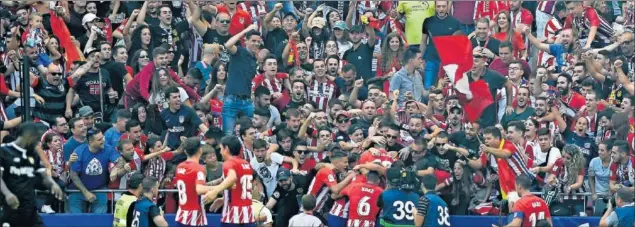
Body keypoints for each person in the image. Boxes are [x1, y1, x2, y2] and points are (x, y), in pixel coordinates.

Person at [0, 122, 64, 227]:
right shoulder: (4, 151)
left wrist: (53, 184)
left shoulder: (33, 154)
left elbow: (43, 175)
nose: (37, 141)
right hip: (10, 206)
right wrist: (7, 193)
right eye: (35, 137)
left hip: (29, 207)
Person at [203, 135, 255, 226]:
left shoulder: (228, 163)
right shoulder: (246, 164)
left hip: (232, 216)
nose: (220, 152)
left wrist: (215, 191)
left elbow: (232, 178)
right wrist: (224, 199)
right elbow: (239, 187)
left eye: (221, 148)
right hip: (248, 215)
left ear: (226, 148)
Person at [68, 128, 123, 214]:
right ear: (91, 142)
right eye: (99, 139)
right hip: (78, 190)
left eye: (103, 137)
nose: (103, 141)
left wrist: (116, 169)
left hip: (99, 189)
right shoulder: (79, 152)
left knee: (99, 219)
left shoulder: (108, 149)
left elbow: (121, 160)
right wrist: (86, 192)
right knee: (75, 220)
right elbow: (73, 174)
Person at [222, 24, 261, 135]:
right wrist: (246, 29)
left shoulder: (254, 59)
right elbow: (228, 44)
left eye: (258, 41)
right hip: (232, 100)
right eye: (253, 41)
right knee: (228, 135)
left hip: (247, 101)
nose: (256, 44)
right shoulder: (239, 51)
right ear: (246, 41)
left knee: (249, 135)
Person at [174, 137, 213, 226]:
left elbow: (190, 185)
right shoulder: (199, 168)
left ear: (185, 152)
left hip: (181, 214)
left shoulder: (179, 166)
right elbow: (199, 189)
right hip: (194, 217)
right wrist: (218, 188)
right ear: (200, 150)